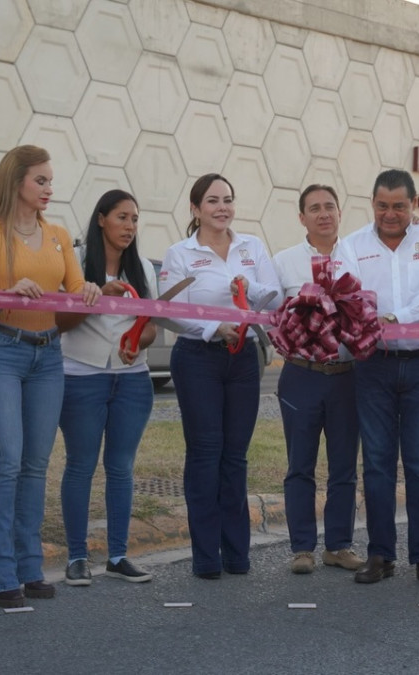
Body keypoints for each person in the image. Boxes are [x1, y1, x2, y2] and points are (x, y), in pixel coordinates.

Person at [0, 145, 100, 608]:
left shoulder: (60, 234)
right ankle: (1, 576)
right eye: (40, 180)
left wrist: (92, 291)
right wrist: (9, 292)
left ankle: (29, 568)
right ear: (16, 181)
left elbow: (76, 291)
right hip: (2, 352)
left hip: (48, 356)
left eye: (50, 180)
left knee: (36, 466)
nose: (48, 188)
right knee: (6, 463)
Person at [159, 173, 281, 579]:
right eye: (212, 201)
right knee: (206, 452)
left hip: (244, 358)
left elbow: (274, 296)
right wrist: (214, 328)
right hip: (198, 359)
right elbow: (171, 312)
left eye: (227, 199)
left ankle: (236, 554)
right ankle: (205, 557)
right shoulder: (180, 253)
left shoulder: (252, 246)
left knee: (235, 456)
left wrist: (250, 287)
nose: (222, 207)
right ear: (196, 209)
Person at [343, 169, 419, 588]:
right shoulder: (351, 246)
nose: (390, 214)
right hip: (373, 365)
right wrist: (377, 322)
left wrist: (397, 318)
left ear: (414, 205)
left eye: (399, 206)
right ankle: (380, 554)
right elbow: (348, 298)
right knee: (376, 464)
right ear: (372, 203)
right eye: (383, 205)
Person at [55, 190, 157, 585]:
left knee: (121, 468)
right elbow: (59, 320)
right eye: (121, 218)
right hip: (81, 375)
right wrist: (94, 298)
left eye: (134, 219)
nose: (129, 226)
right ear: (101, 219)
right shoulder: (75, 263)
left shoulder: (144, 269)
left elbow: (149, 325)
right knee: (80, 465)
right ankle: (77, 557)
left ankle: (118, 555)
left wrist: (138, 343)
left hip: (132, 381)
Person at [272, 184, 362, 575]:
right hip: (301, 376)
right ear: (301, 217)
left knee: (344, 466)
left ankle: (339, 545)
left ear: (340, 213)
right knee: (300, 464)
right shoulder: (283, 262)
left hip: (347, 377)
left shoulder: (360, 255)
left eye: (330, 206)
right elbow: (271, 315)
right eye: (314, 208)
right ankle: (302, 548)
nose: (323, 213)